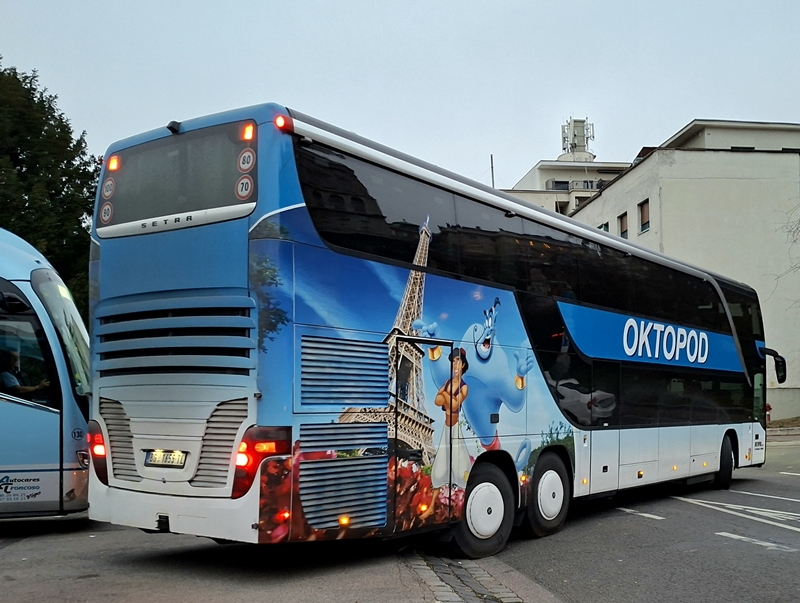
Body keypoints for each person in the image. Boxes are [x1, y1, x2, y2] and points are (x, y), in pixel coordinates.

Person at [420, 347, 472, 521]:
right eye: (453, 361)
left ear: (463, 365)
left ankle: (464, 505)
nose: (454, 364)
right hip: (446, 428)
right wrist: (447, 397)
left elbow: (454, 404)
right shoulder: (449, 383)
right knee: (439, 466)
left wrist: (444, 395)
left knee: (461, 466)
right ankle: (432, 507)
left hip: (455, 429)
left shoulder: (464, 387)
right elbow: (437, 401)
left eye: (457, 361)